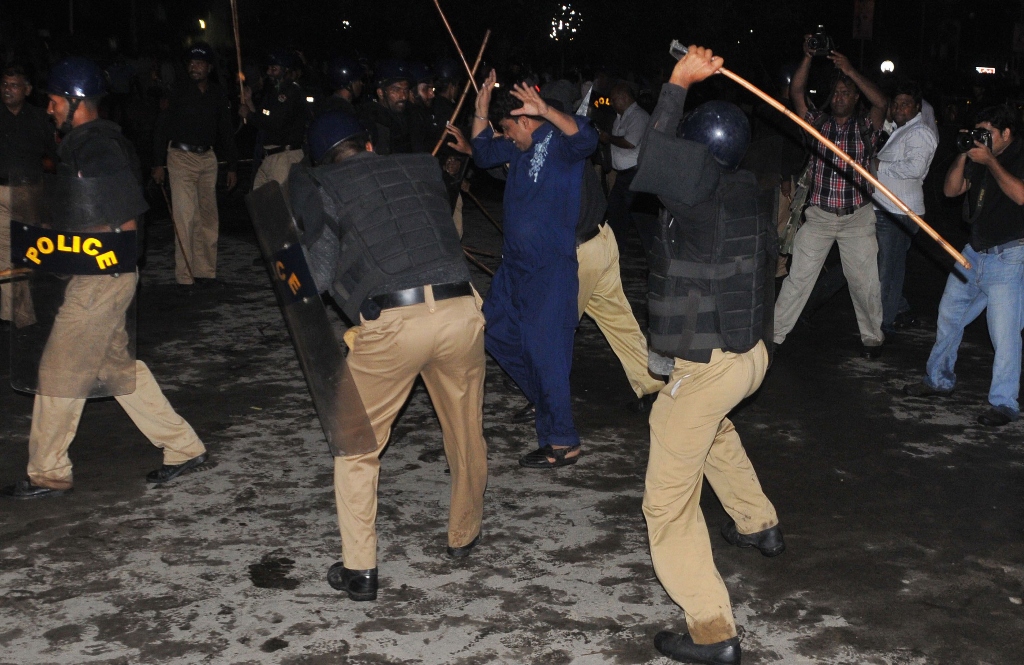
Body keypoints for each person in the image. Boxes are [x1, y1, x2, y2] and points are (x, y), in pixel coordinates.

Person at [287, 110, 488, 600]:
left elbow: (313, 278)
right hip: (461, 309)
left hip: (396, 324)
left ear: (323, 161)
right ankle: (464, 534)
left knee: (356, 447)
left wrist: (289, 253)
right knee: (465, 429)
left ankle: (360, 571)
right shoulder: (420, 168)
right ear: (369, 146)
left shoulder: (325, 187)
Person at [631, 46, 783, 665]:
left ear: (696, 151)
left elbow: (652, 156)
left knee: (666, 502)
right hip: (750, 360)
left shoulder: (692, 190)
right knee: (712, 431)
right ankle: (757, 523)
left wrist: (676, 83)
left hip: (712, 364)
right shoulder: (746, 187)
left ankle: (712, 631)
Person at [1, 57, 208, 500]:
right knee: (117, 369)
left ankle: (48, 472)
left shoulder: (97, 149)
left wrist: (76, 256)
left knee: (58, 370)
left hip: (101, 277)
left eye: (55, 101)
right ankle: (183, 446)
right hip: (99, 274)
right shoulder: (86, 144)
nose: (50, 109)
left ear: (76, 101)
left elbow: (122, 224)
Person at [470, 71, 598, 468]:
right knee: (494, 331)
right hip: (513, 270)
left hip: (550, 271)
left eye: (508, 128)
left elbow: (587, 137)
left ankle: (562, 441)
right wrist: (481, 108)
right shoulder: (518, 148)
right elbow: (481, 153)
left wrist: (548, 110)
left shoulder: (560, 144)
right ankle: (547, 400)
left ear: (527, 120)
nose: (505, 136)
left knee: (547, 354)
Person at [904, 105, 1024, 427]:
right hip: (973, 255)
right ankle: (938, 380)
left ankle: (1004, 403)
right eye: (977, 132)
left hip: (1009, 258)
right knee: (949, 316)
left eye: (987, 133)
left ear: (1007, 134)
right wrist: (964, 153)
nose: (980, 139)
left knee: (1004, 335)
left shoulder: (1017, 156)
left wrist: (991, 162)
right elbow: (950, 190)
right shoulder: (980, 157)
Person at [772, 36, 888, 358]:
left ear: (854, 98)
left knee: (865, 284)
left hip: (857, 220)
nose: (839, 96)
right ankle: (774, 336)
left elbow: (881, 103)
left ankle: (872, 339)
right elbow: (796, 93)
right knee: (797, 281)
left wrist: (850, 69)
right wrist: (808, 58)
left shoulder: (866, 128)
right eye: (836, 91)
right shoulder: (818, 125)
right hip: (820, 217)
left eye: (846, 92)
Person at [152, 42, 238, 288]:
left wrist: (232, 164)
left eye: (200, 63)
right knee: (185, 216)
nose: (195, 67)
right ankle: (185, 275)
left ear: (209, 67)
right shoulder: (176, 91)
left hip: (207, 158)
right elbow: (160, 129)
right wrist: (158, 163)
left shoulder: (217, 94)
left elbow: (225, 130)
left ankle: (205, 271)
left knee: (208, 217)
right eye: (191, 63)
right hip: (180, 156)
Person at [871, 80, 937, 334]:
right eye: (896, 104)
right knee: (885, 267)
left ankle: (883, 324)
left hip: (899, 212)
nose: (899, 108)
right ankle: (887, 318)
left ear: (917, 107)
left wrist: (878, 166)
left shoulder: (920, 132)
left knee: (887, 270)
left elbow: (915, 168)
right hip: (886, 209)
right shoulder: (903, 130)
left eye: (905, 104)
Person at [0, 64, 57, 325]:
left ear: (27, 89)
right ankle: (14, 315)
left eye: (14, 85)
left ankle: (32, 310)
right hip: (1, 191)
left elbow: (55, 156)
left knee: (27, 253)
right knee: (4, 253)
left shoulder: (38, 118)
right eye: (4, 84)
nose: (8, 90)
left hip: (30, 192)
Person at [240, 48, 309, 189]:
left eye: (274, 68)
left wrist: (249, 115)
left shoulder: (290, 91)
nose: (269, 72)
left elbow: (275, 123)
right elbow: (264, 117)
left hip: (285, 156)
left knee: (282, 205)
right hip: (270, 156)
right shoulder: (274, 91)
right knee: (259, 201)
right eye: (269, 68)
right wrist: (250, 102)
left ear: (286, 70)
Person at [599, 82, 649, 250]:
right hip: (623, 175)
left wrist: (608, 138)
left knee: (627, 214)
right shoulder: (621, 117)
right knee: (616, 212)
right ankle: (616, 247)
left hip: (634, 174)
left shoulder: (638, 116)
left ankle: (628, 248)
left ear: (625, 97)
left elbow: (630, 142)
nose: (612, 103)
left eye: (614, 99)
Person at [358, 60, 414, 155]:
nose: (403, 96)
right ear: (381, 93)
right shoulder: (374, 120)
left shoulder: (410, 114)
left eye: (406, 90)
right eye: (396, 90)